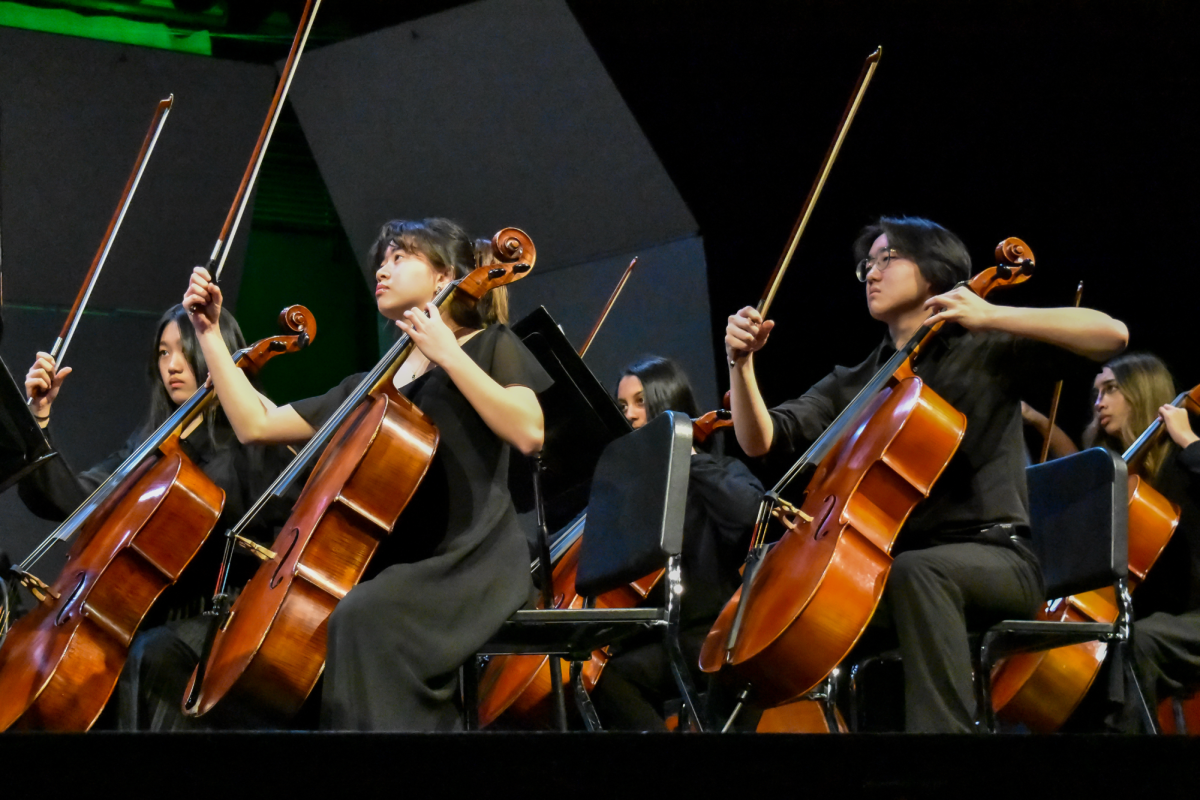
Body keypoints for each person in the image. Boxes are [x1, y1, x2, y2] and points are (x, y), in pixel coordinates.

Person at [724, 215, 1128, 732]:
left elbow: (1111, 334)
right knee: (757, 628)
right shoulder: (858, 381)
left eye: (888, 258)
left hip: (998, 558)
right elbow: (761, 438)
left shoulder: (982, 347)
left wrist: (992, 314)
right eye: (866, 265)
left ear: (936, 269)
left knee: (920, 573)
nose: (871, 272)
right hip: (890, 574)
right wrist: (741, 365)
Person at [183, 217, 552, 731]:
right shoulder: (373, 386)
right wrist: (208, 335)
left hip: (472, 561)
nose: (383, 266)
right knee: (330, 631)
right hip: (400, 568)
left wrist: (447, 351)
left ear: (445, 277)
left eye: (401, 256)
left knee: (362, 616)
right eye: (383, 258)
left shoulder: (489, 345)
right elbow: (256, 422)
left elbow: (528, 431)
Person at [19, 304, 294, 730]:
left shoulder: (258, 440)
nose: (173, 365)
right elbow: (75, 499)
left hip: (226, 618)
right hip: (156, 618)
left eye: (185, 350)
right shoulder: (151, 446)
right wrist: (38, 420)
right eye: (163, 353)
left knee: (153, 653)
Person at [587, 356, 763, 730]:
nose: (631, 415)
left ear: (667, 404)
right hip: (654, 636)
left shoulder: (715, 470)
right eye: (623, 407)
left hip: (714, 632)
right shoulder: (627, 490)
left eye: (641, 401)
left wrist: (685, 454)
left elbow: (750, 514)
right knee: (606, 679)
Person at [1084, 353, 1200, 729]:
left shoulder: (1183, 463)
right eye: (1097, 392)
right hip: (1153, 615)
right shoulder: (1117, 471)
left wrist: (1189, 440)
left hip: (1192, 617)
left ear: (1142, 393)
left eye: (1112, 389)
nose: (1099, 401)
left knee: (1140, 639)